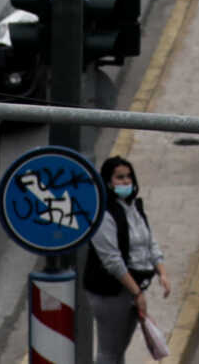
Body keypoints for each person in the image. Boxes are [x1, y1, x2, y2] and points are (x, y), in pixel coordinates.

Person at [82, 155, 170, 364]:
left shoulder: (133, 208)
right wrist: (137, 293)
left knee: (118, 350)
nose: (126, 182)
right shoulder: (103, 214)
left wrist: (162, 272)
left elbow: (150, 242)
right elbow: (112, 261)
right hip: (111, 292)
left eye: (129, 177)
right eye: (119, 178)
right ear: (108, 182)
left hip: (131, 289)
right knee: (109, 352)